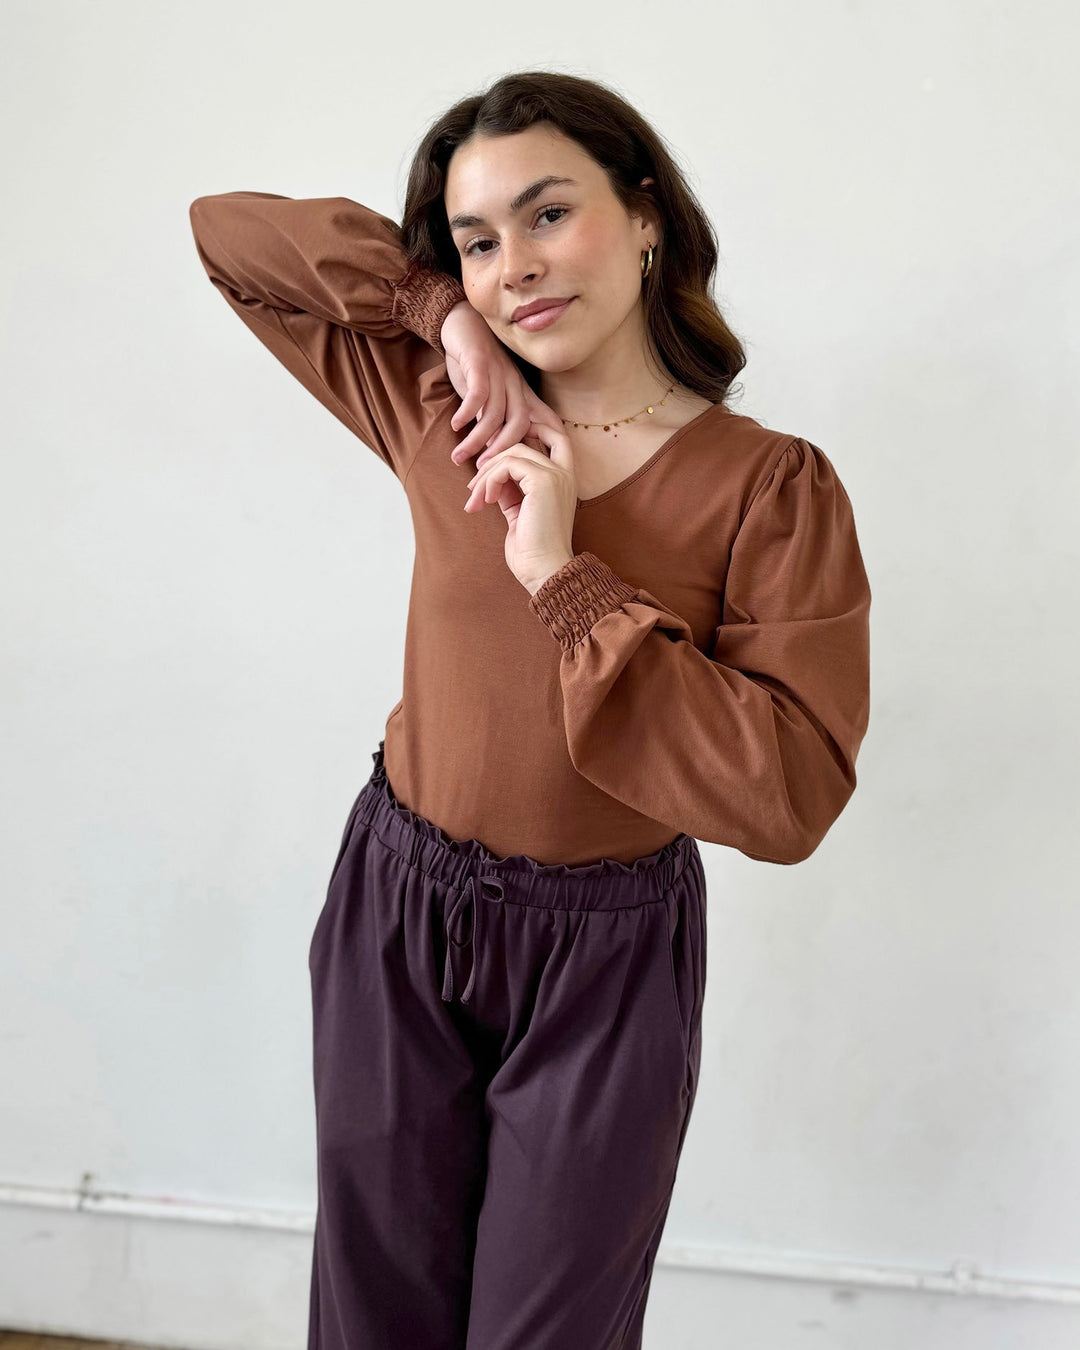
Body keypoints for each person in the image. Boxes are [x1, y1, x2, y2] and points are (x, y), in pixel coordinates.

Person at [189, 68, 871, 1350]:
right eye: (479, 240)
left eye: (549, 215)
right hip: (397, 913)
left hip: (605, 962)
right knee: (375, 1315)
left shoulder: (769, 489)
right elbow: (225, 234)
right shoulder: (443, 404)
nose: (518, 268)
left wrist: (564, 580)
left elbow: (790, 791)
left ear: (647, 213)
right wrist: (436, 315)